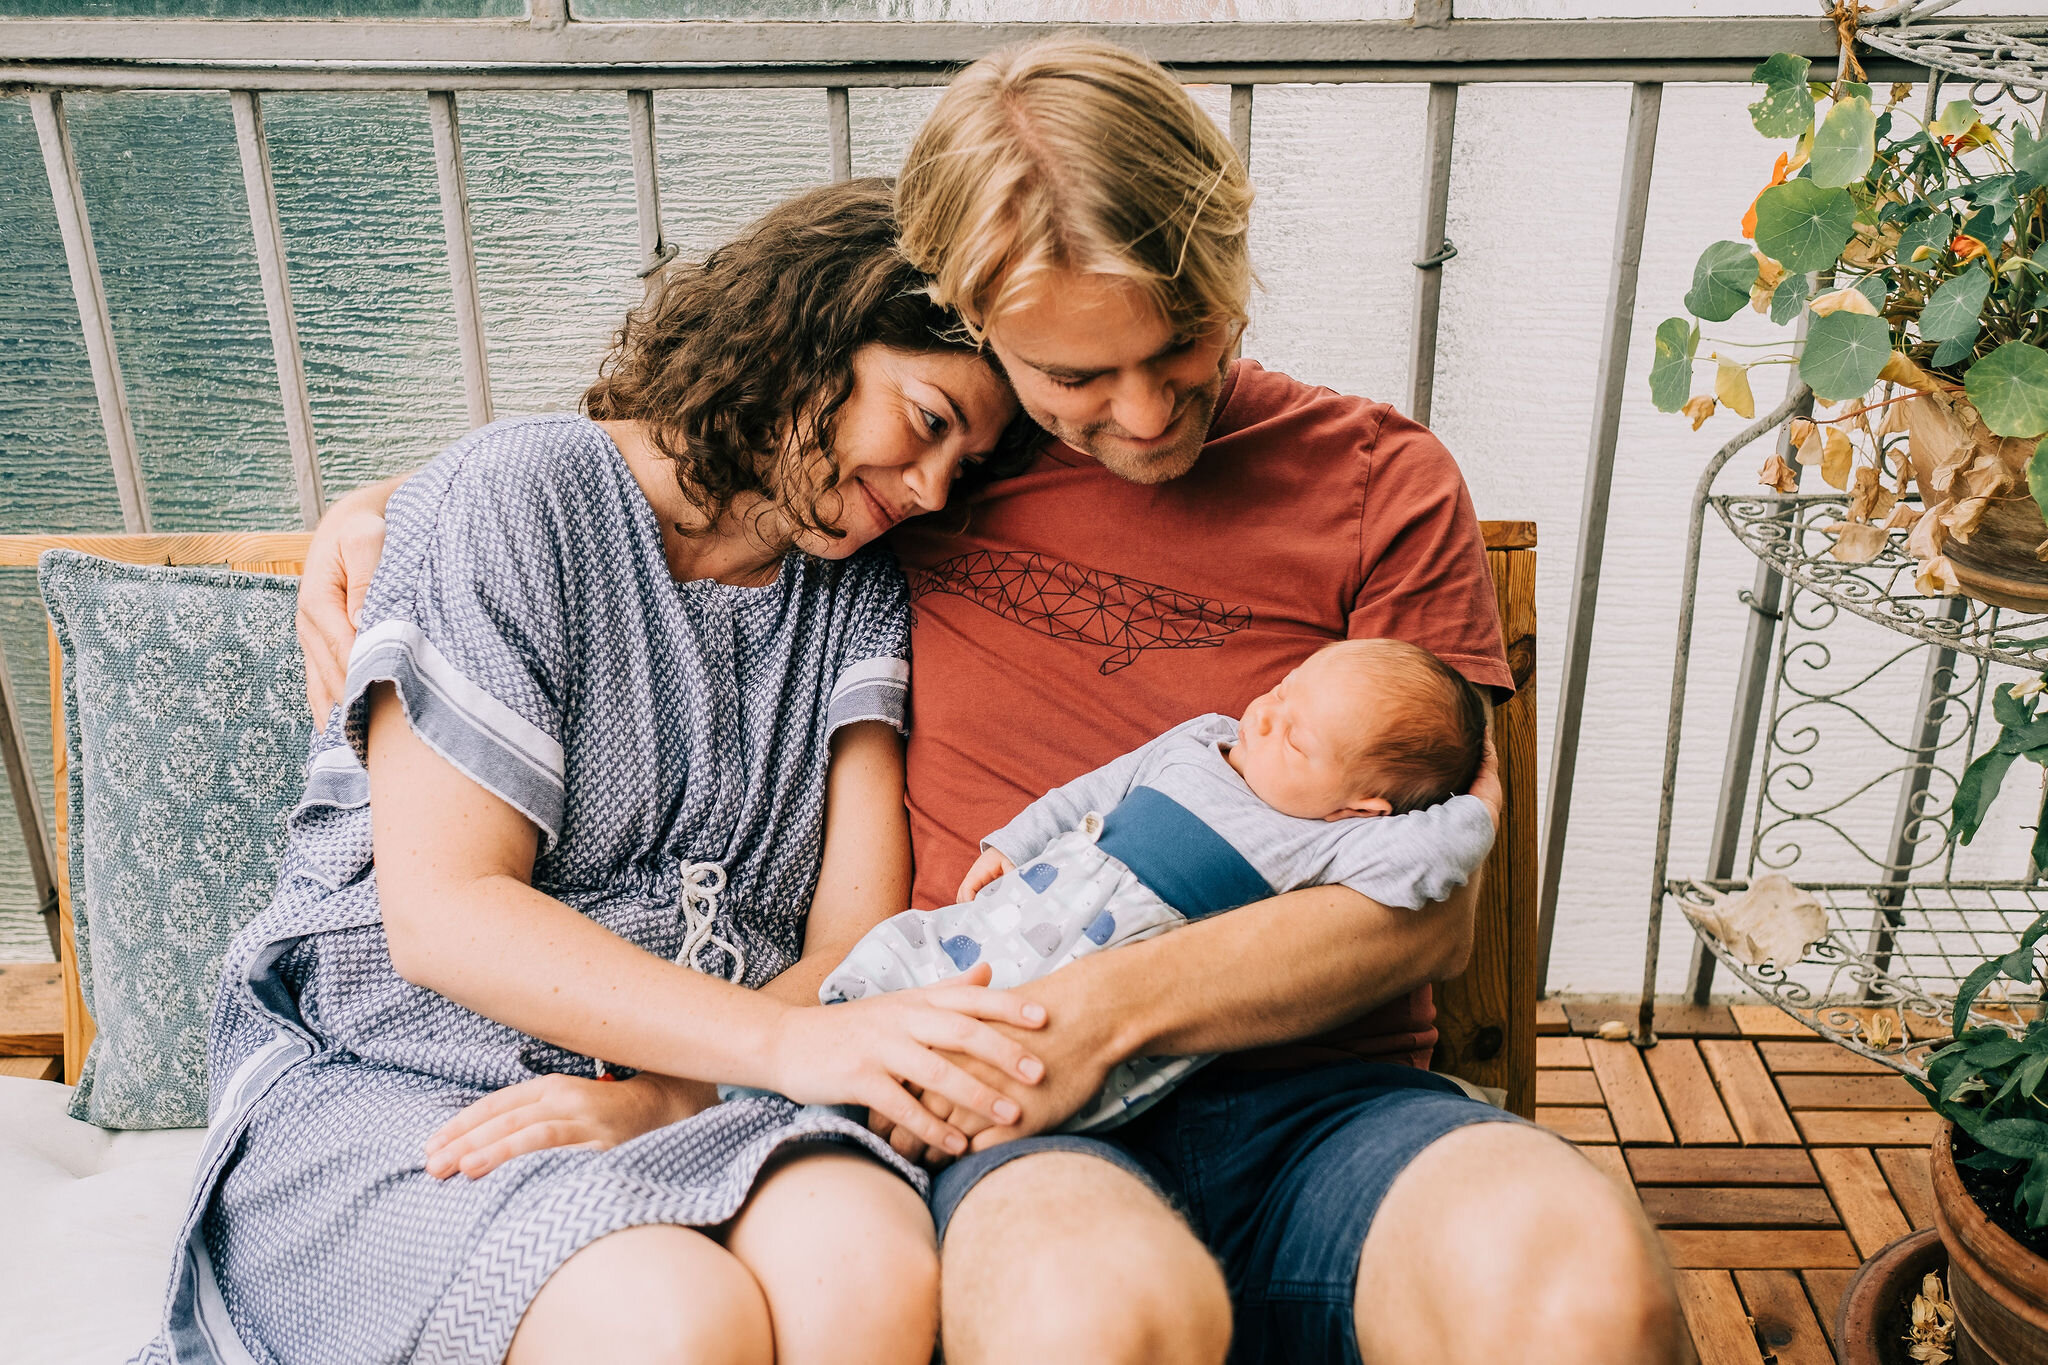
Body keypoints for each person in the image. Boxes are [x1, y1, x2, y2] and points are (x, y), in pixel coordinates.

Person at [300, 39, 1690, 1365]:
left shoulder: (1381, 485)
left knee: (1584, 1287)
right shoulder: (939, 469)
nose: (1144, 417)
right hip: (1016, 1122)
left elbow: (1430, 905)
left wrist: (1102, 1012)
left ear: (1231, 265)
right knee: (1096, 1313)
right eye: (1076, 376)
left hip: (1316, 1102)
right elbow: (681, 464)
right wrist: (383, 514)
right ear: (978, 322)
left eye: (1183, 343)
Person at [134, 180, 1054, 1365]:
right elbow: (448, 917)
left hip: (722, 1085)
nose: (932, 489)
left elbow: (848, 952)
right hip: (418, 1071)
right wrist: (782, 1053)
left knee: (869, 1274)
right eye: (925, 420)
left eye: (965, 466)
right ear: (809, 333)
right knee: (673, 1324)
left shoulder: (858, 594)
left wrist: (673, 1094)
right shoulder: (521, 499)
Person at [823, 639, 1498, 1133]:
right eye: (1285, 688)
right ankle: (827, 1060)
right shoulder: (1202, 739)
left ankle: (878, 1113)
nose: (1265, 716)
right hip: (1038, 892)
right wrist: (1013, 844)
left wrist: (1484, 802)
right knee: (911, 953)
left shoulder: (1329, 839)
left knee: (997, 1050)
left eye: (1297, 740)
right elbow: (1093, 789)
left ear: (1358, 805)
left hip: (1105, 976)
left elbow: (1441, 854)